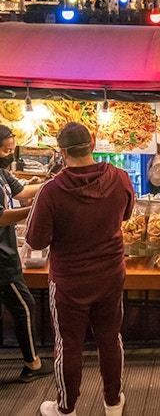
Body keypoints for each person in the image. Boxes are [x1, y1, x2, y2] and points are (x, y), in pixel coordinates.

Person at [26, 123, 135, 416]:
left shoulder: (50, 191)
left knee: (68, 345)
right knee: (110, 338)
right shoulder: (121, 177)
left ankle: (66, 408)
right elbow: (126, 214)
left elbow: (35, 240)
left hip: (69, 280)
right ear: (94, 142)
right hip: (111, 273)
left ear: (62, 153)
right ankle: (113, 402)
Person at [0, 125, 54, 382]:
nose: (8, 154)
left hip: (9, 252)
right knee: (24, 306)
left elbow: (22, 191)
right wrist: (29, 212)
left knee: (21, 305)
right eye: (4, 149)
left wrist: (53, 184)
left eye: (11, 149)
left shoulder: (1, 173)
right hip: (2, 260)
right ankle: (32, 364)